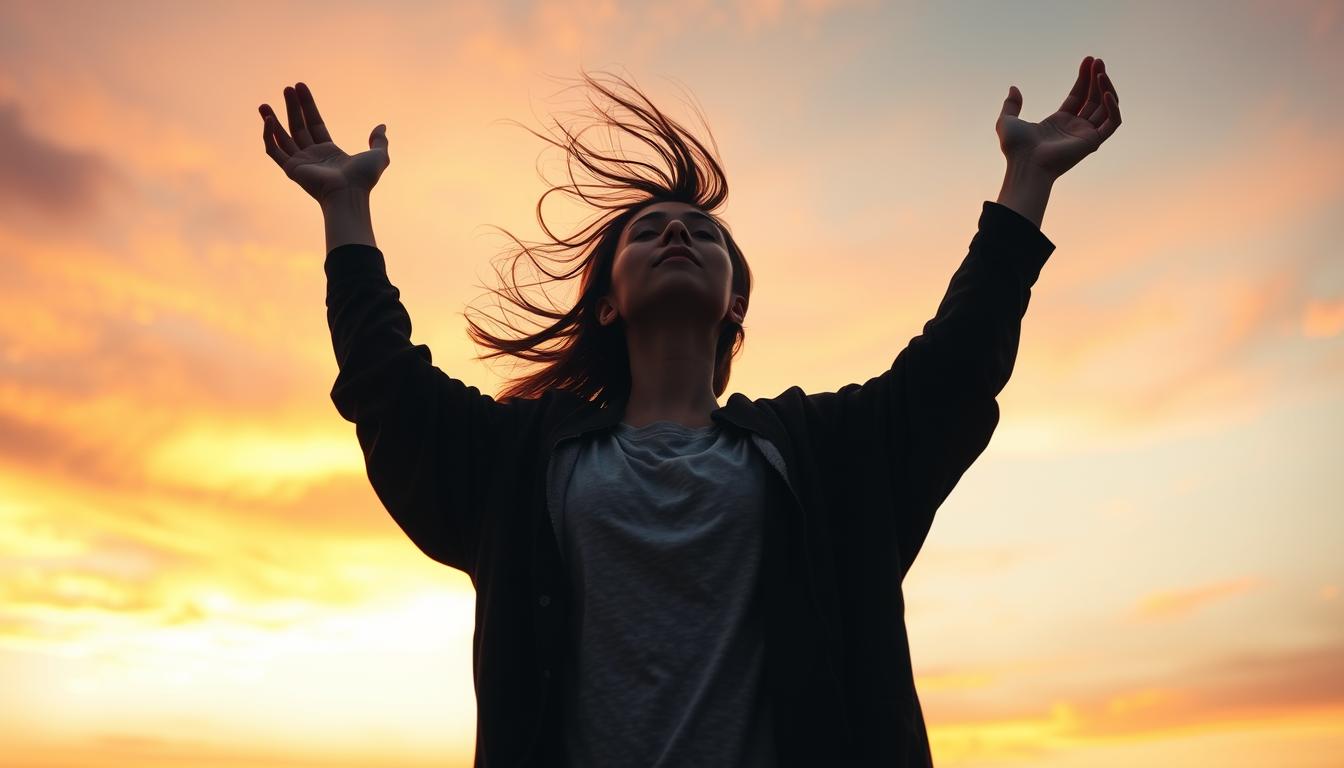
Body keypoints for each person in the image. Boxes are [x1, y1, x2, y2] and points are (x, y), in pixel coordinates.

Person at [258, 59, 1120, 767]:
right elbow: (388, 388)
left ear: (734, 305)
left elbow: (953, 371)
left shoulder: (825, 455)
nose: (678, 234)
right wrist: (344, 206)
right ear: (607, 305)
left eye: (703, 234)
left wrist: (1025, 181)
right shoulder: (521, 461)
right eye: (649, 232)